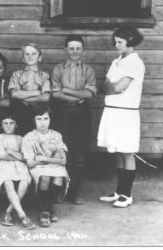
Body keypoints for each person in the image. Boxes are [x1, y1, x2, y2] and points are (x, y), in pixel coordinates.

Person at [98, 27, 145, 208]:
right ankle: (119, 192)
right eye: (115, 41)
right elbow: (105, 84)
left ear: (131, 41)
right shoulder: (116, 61)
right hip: (113, 111)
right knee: (117, 151)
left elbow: (117, 87)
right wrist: (111, 86)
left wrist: (112, 86)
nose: (116, 45)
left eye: (120, 42)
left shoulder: (136, 63)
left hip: (126, 112)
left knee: (126, 152)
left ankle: (127, 195)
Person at [51, 35, 97, 205]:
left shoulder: (88, 70)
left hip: (82, 112)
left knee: (79, 154)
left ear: (83, 49)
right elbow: (55, 93)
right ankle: (59, 192)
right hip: (62, 111)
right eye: (71, 48)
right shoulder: (58, 69)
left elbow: (89, 93)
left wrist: (67, 89)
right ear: (65, 49)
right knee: (62, 152)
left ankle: (75, 193)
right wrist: (76, 93)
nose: (75, 52)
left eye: (78, 48)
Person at [22, 104, 69, 228]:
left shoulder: (57, 135)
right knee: (46, 176)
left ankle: (46, 209)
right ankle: (46, 210)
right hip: (38, 168)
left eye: (45, 118)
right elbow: (30, 162)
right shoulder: (29, 137)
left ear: (50, 120)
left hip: (50, 165)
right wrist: (53, 160)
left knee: (59, 176)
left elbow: (63, 161)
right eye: (39, 119)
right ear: (34, 120)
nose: (42, 122)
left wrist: (43, 158)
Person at [0, 114, 34, 229]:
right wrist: (17, 156)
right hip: (5, 165)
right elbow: (1, 156)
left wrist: (10, 151)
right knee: (8, 182)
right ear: (1, 125)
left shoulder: (21, 138)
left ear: (16, 125)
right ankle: (23, 216)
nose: (8, 126)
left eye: (11, 123)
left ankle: (8, 211)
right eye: (5, 123)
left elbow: (24, 157)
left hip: (20, 165)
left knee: (24, 181)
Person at [9, 43, 51, 135]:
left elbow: (45, 97)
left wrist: (23, 96)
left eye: (34, 54)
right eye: (27, 54)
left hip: (38, 112)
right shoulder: (16, 75)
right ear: (23, 58)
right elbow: (14, 94)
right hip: (20, 112)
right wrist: (37, 92)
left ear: (40, 58)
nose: (30, 56)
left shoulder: (44, 75)